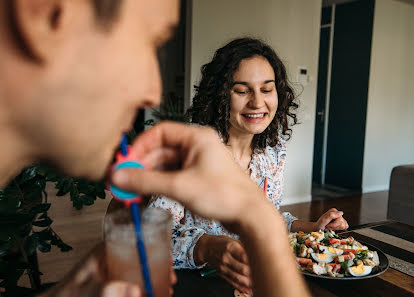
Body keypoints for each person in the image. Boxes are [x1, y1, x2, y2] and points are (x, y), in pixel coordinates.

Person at [0, 1, 310, 297]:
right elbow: (142, 237)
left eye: (267, 89)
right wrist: (215, 243)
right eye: (145, 43)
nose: (153, 93)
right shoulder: (197, 151)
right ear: (43, 13)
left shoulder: (273, 151)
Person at [149, 38, 349, 294]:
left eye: (266, 90)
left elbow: (267, 218)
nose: (257, 102)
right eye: (242, 91)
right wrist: (208, 247)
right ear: (220, 95)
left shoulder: (273, 151)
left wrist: (313, 227)